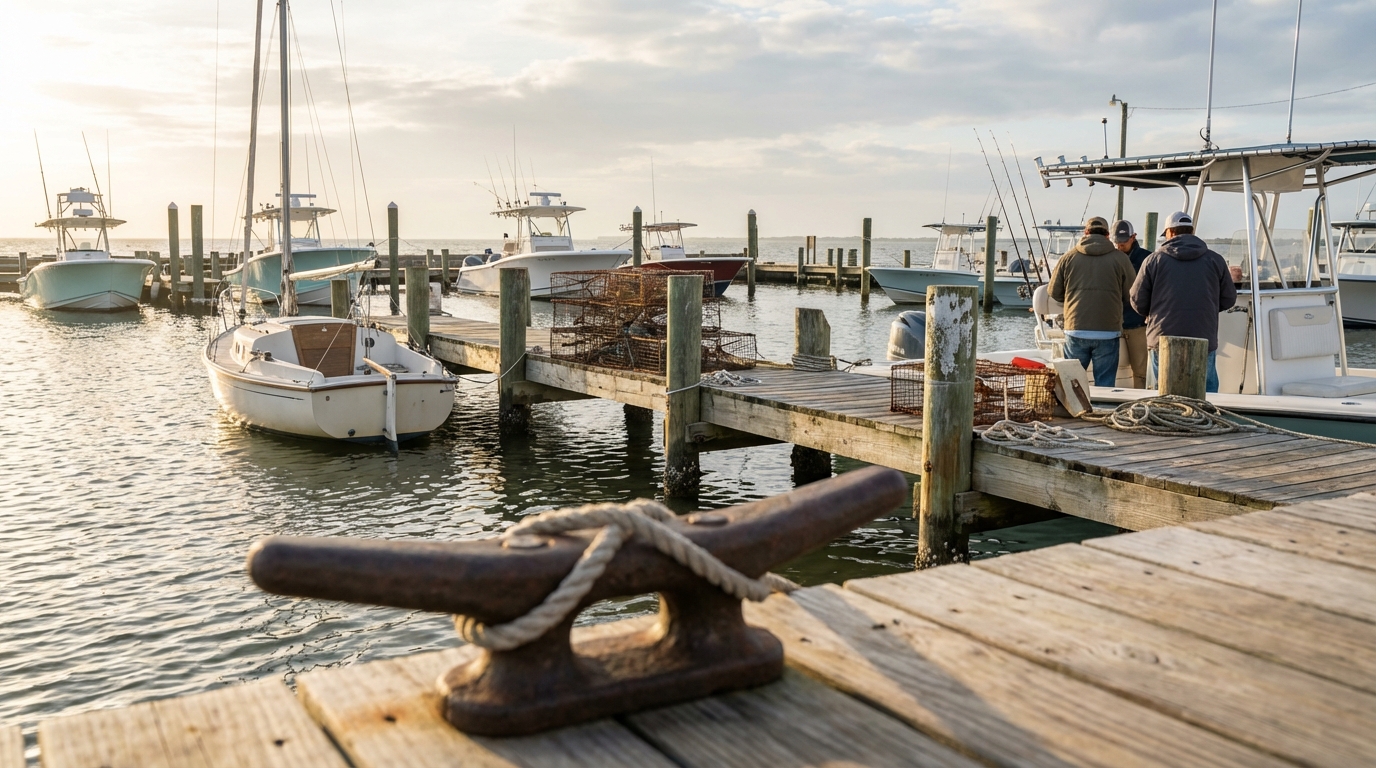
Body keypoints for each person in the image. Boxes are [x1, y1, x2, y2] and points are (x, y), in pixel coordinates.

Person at [1129, 211, 1237, 393]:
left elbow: (1137, 299)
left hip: (1162, 334)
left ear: (1170, 232)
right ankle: (1207, 419)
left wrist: (1153, 313)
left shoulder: (1153, 261)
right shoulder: (1215, 260)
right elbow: (1229, 298)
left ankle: (1166, 418)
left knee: (1163, 390)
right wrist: (1206, 309)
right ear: (1192, 231)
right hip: (1203, 333)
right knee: (1207, 390)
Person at [1049, 216, 1137, 386]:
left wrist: (1071, 300)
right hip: (1108, 330)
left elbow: (1054, 292)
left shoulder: (1068, 257)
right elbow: (1131, 295)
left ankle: (1075, 412)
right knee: (1105, 384)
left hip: (1076, 328)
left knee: (1072, 384)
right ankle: (1103, 412)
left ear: (1086, 232)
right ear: (1107, 235)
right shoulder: (1120, 259)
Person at [1112, 219, 1152, 388]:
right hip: (1113, 324)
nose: (1120, 246)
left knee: (1140, 372)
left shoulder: (1148, 259)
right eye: (1116, 242)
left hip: (1137, 324)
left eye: (1124, 242)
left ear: (1133, 237)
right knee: (1109, 371)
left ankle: (1139, 406)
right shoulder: (1110, 258)